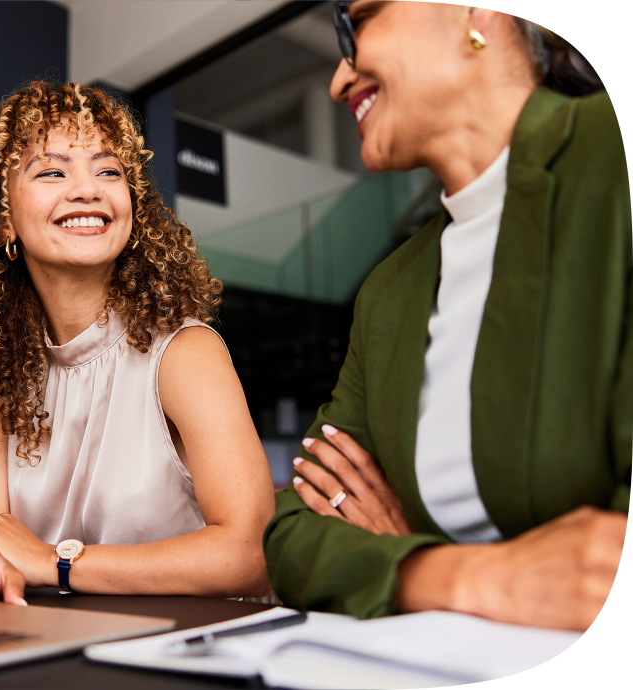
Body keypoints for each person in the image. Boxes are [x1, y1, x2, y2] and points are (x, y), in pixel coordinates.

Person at [264, 1, 629, 631]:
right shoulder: (389, 292)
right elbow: (295, 534)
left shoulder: (607, 156)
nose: (337, 80)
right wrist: (449, 573)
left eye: (357, 23)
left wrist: (390, 550)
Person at [0, 81, 274, 605]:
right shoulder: (2, 380)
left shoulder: (185, 353)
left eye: (108, 171)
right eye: (52, 171)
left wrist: (54, 562)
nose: (87, 189)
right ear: (5, 219)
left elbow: (252, 555)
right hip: (64, 648)